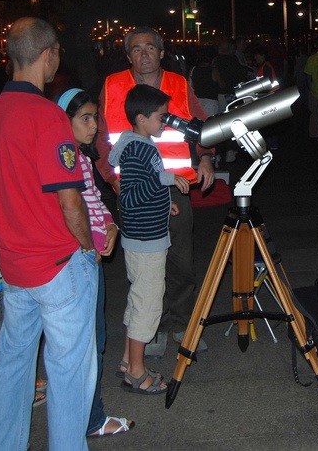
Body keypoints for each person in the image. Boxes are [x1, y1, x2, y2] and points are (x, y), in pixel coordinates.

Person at [0, 17, 106, 450]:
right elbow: (70, 200)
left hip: (14, 264)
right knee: (69, 369)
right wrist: (88, 247)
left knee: (13, 364)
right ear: (48, 54)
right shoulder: (46, 115)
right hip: (56, 263)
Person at [96, 27, 215, 358]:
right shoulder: (113, 85)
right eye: (136, 49)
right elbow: (102, 135)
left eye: (150, 47)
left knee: (180, 259)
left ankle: (180, 324)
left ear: (162, 52)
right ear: (128, 55)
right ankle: (156, 327)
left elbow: (201, 127)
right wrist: (110, 178)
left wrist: (205, 158)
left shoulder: (178, 83)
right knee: (146, 265)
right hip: (133, 191)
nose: (144, 53)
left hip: (175, 187)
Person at [56, 88, 135, 437]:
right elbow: (73, 207)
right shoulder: (66, 157)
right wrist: (90, 244)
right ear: (64, 120)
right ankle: (89, 419)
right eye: (84, 119)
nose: (94, 127)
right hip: (79, 256)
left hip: (88, 252)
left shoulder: (82, 158)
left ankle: (86, 416)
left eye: (95, 118)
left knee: (89, 337)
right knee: (89, 339)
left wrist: (111, 225)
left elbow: (94, 202)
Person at [109, 84, 190, 393]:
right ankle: (137, 371)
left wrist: (161, 199)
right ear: (141, 118)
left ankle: (128, 361)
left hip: (142, 238)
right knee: (148, 304)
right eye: (160, 117)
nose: (165, 122)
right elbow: (129, 197)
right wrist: (163, 184)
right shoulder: (138, 149)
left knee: (139, 298)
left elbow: (145, 186)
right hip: (146, 241)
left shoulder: (137, 145)